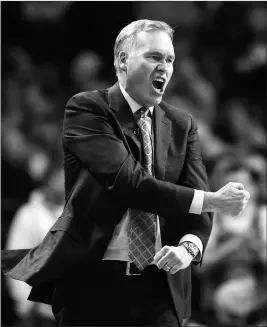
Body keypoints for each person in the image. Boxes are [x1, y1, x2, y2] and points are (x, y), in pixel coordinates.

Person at [2, 20, 250, 327]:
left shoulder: (182, 124)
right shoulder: (88, 109)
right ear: (122, 60)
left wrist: (189, 247)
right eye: (154, 57)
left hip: (161, 285)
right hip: (94, 283)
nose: (165, 67)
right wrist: (211, 200)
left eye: (169, 59)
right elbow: (129, 183)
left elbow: (198, 217)